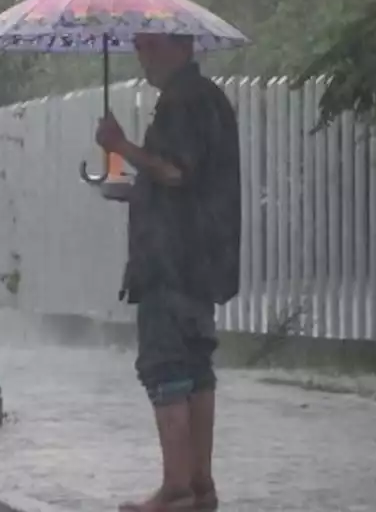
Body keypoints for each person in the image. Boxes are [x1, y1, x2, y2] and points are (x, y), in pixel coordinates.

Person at [95, 32, 240, 512]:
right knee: (197, 370)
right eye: (139, 48)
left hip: (171, 262)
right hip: (201, 261)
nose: (143, 58)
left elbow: (176, 171)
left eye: (151, 47)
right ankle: (200, 487)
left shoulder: (184, 102)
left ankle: (176, 489)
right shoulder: (209, 99)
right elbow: (183, 182)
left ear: (181, 47)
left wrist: (120, 145)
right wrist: (132, 186)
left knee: (165, 369)